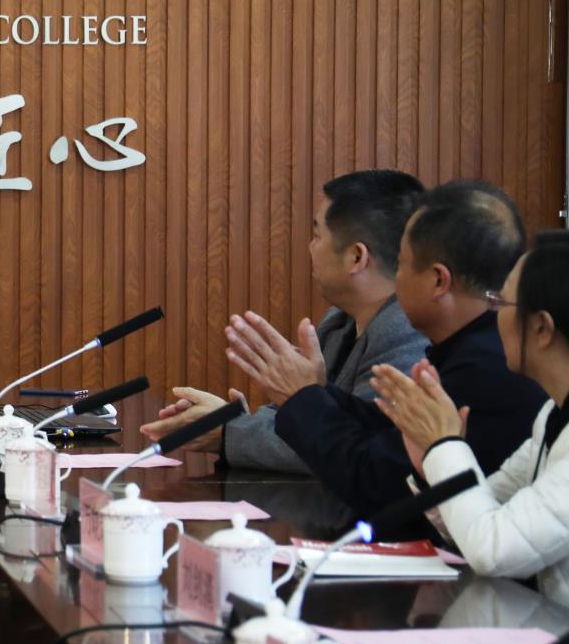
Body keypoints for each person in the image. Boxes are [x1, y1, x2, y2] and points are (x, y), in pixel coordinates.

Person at [229, 180, 543, 534]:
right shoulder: (470, 346)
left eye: (403, 265)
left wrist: (302, 398)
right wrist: (309, 394)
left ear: (438, 281)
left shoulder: (486, 367)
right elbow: (381, 429)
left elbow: (379, 481)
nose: (395, 280)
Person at [142, 170, 427, 467]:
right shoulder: (339, 321)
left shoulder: (406, 332)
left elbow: (352, 448)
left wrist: (230, 431)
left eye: (317, 235)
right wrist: (229, 419)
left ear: (356, 257)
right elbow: (302, 417)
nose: (311, 247)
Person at [373, 236, 569, 606]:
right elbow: (482, 516)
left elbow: (494, 549)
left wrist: (445, 445)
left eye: (502, 303)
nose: (495, 316)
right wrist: (431, 464)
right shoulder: (552, 415)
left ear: (542, 328)